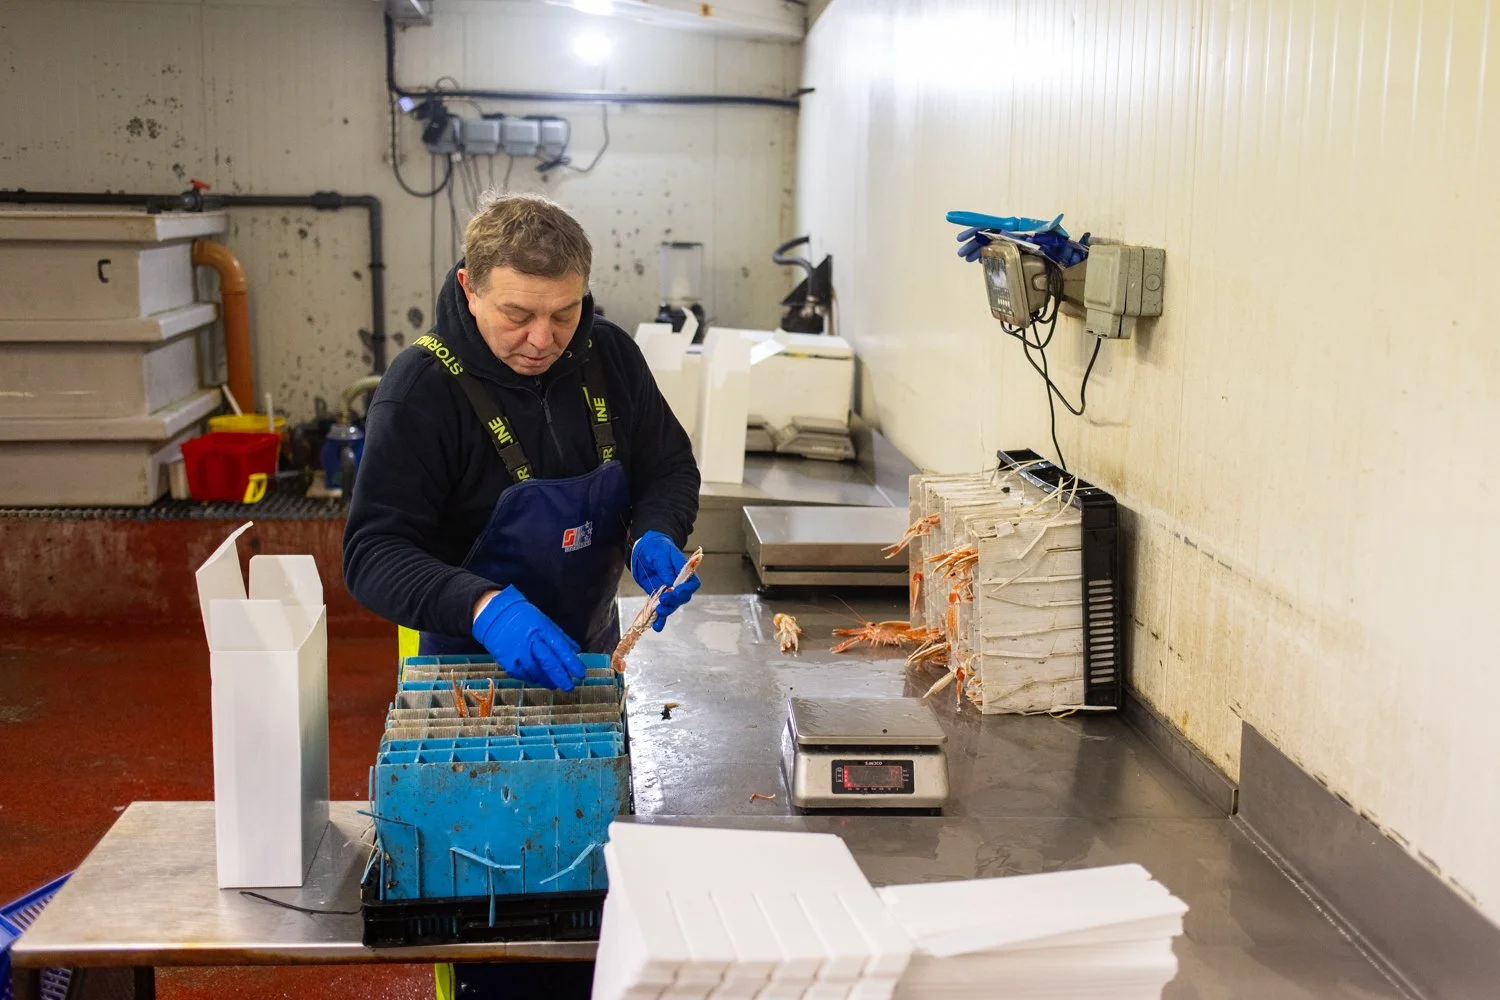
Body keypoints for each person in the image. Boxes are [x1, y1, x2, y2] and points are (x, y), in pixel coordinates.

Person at [343, 191, 702, 686]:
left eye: (564, 314)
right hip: (464, 672)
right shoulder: (419, 391)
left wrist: (656, 530)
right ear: (470, 289)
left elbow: (668, 467)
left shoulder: (612, 356)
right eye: (517, 315)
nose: (542, 340)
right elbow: (373, 553)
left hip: (594, 656)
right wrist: (484, 607)